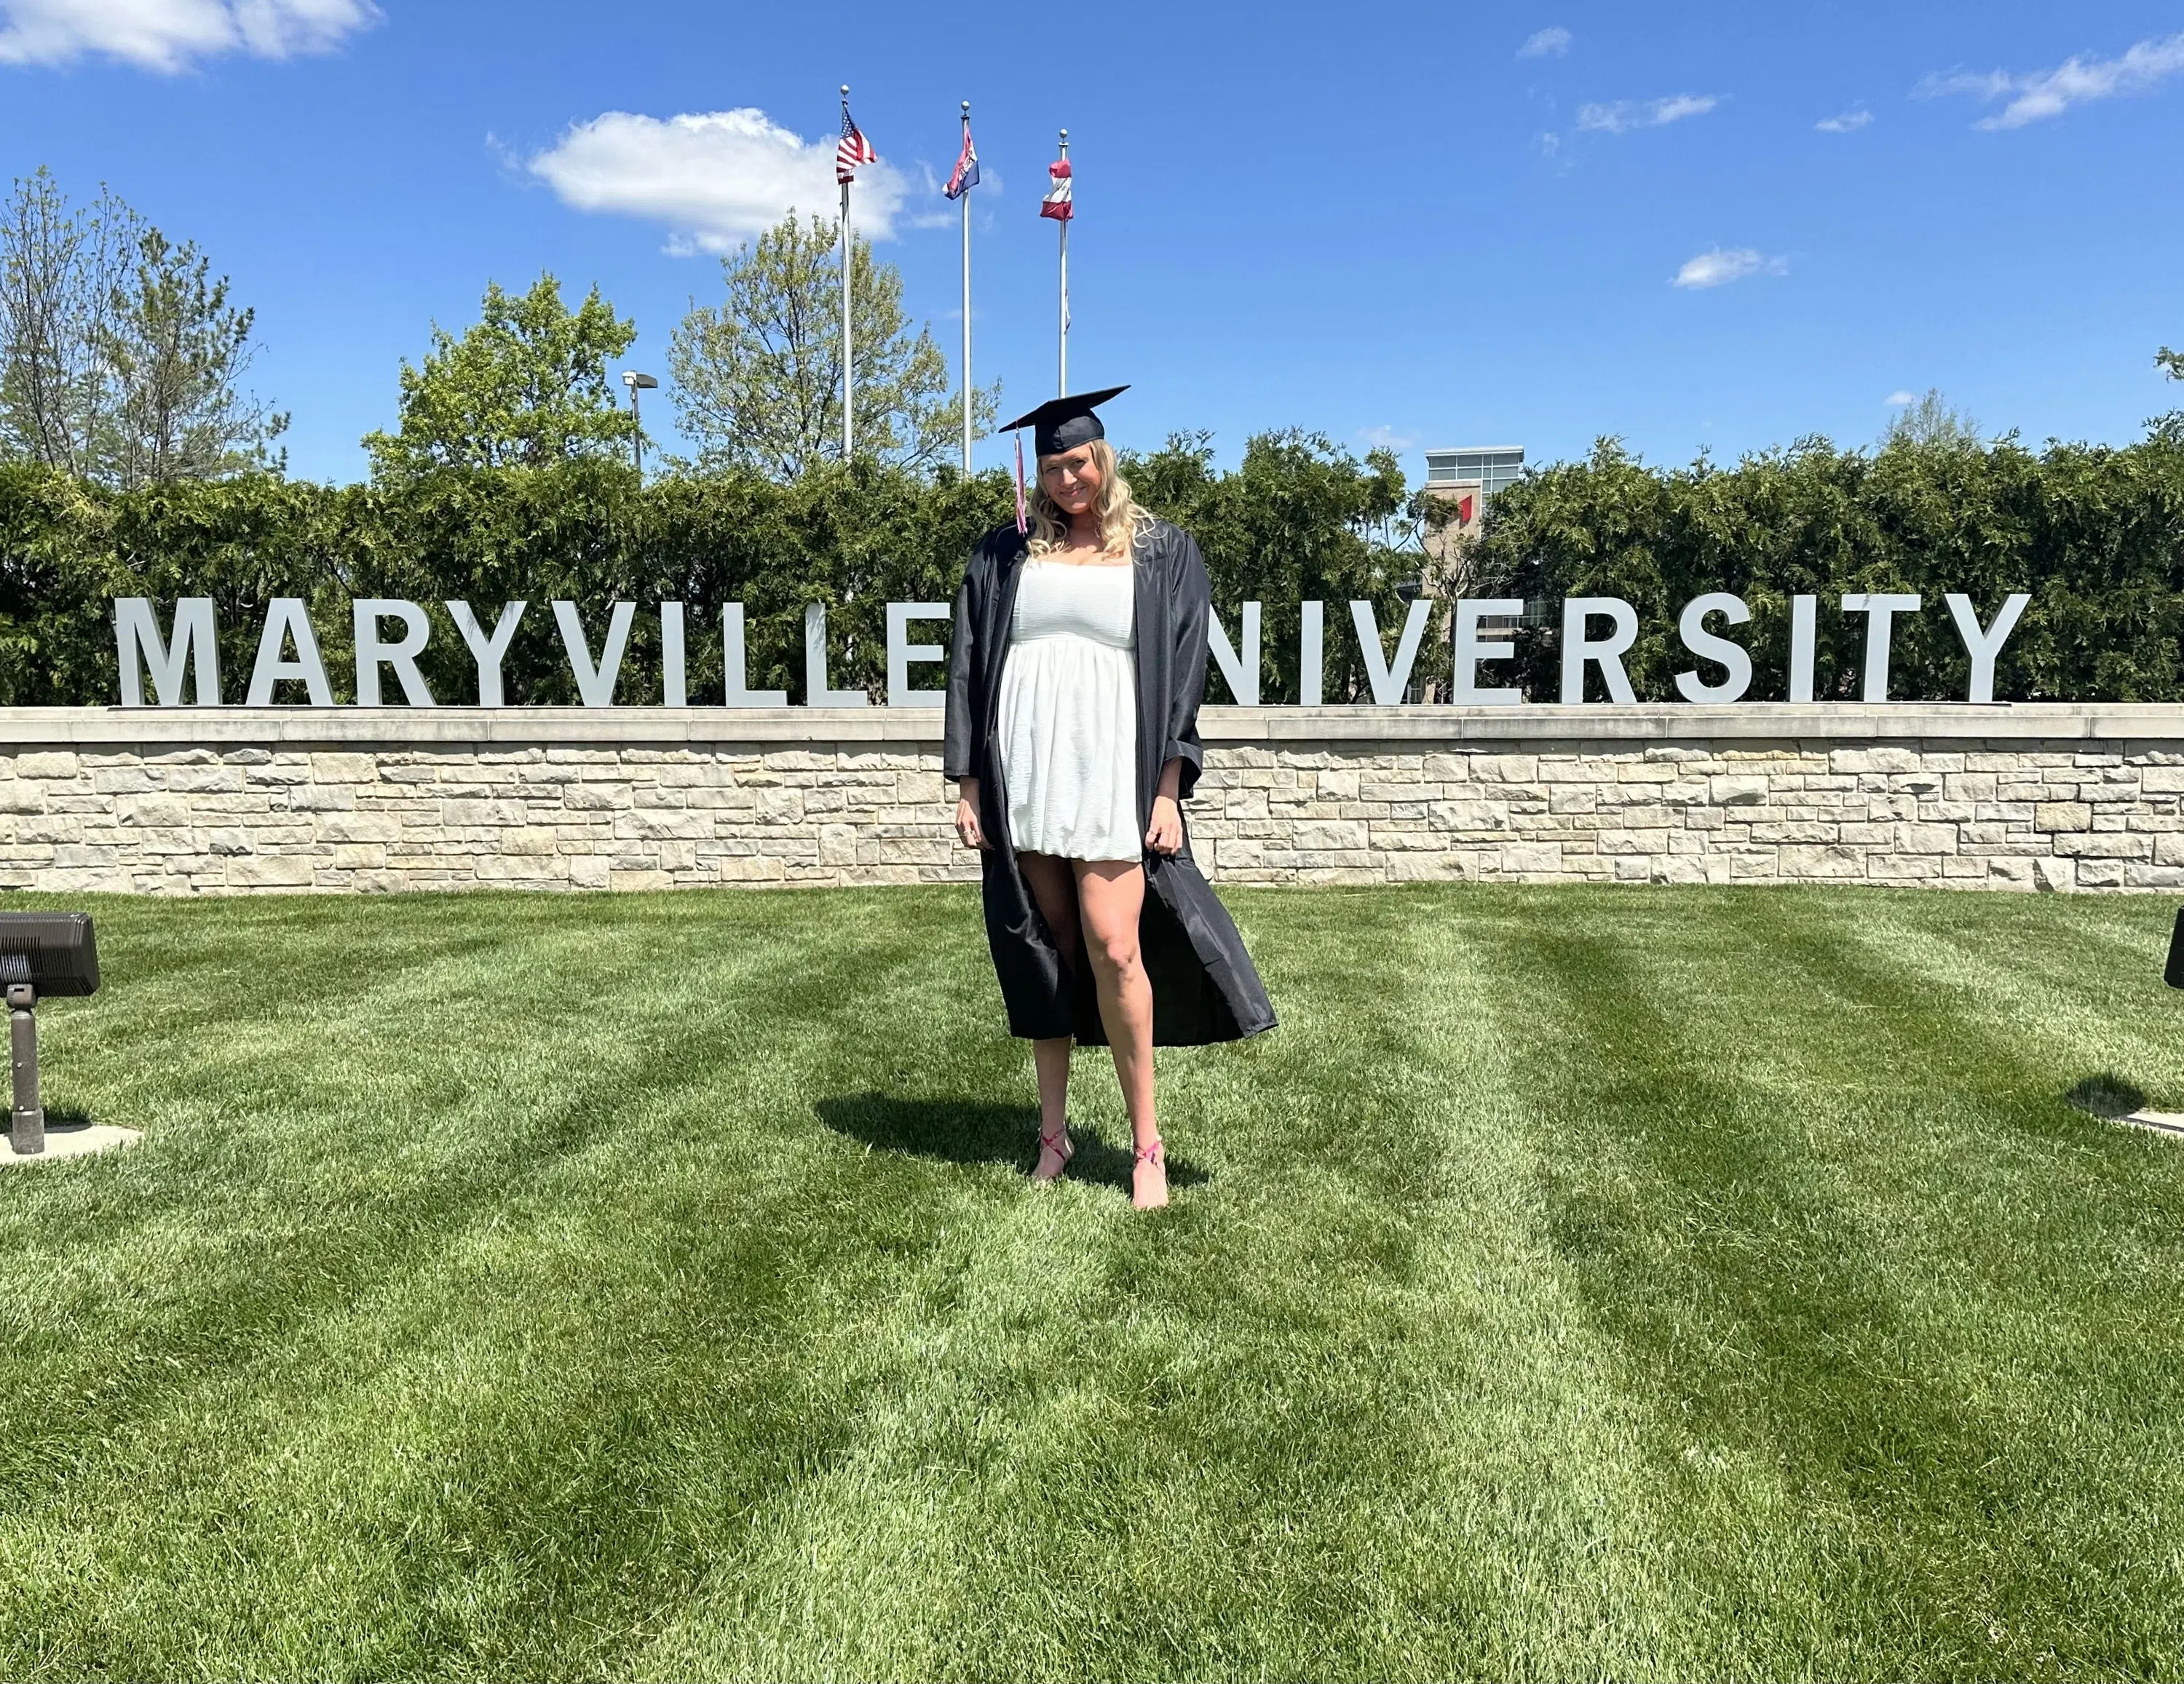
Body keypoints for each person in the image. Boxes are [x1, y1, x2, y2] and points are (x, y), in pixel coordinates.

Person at [943, 387, 1276, 1211]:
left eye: (1081, 461)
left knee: (1115, 946)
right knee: (1047, 954)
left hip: (1112, 770)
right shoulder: (1005, 552)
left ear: (1105, 459)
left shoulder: (1160, 551)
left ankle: (1146, 1146)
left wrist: (1170, 787)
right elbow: (967, 661)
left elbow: (1185, 675)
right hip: (1026, 767)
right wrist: (969, 782)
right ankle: (1053, 1137)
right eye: (1054, 467)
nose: (1068, 479)